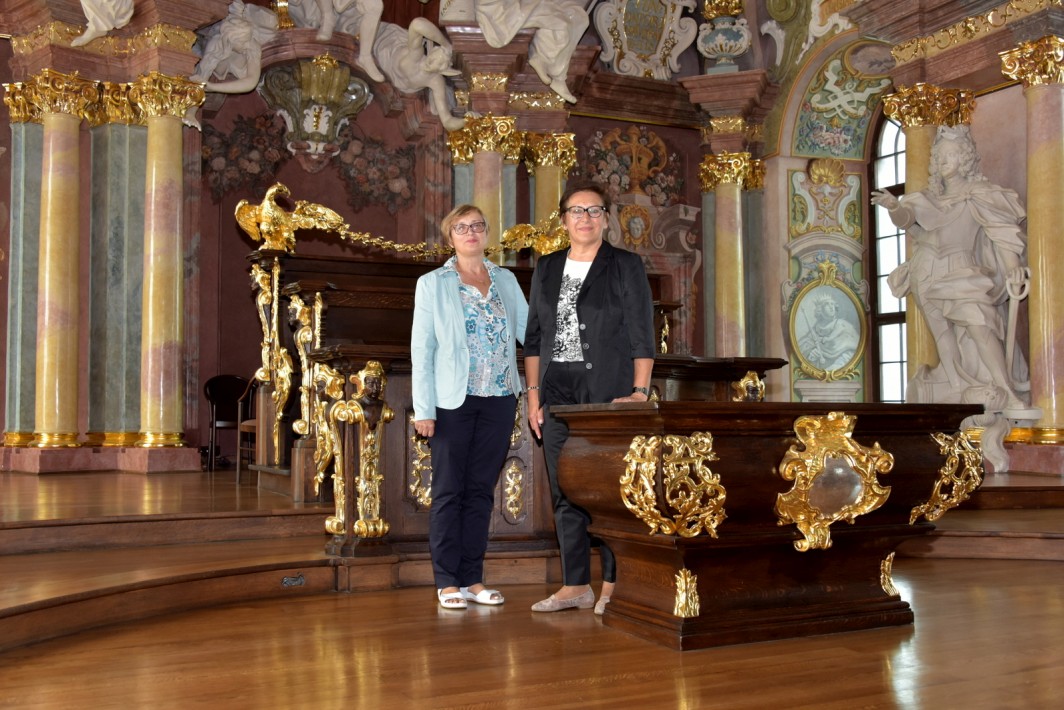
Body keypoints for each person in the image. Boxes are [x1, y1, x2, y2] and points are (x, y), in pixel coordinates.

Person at [524, 181, 656, 615]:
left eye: (595, 210)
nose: (585, 218)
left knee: (611, 490)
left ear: (606, 219)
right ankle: (575, 584)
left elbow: (642, 333)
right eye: (577, 211)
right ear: (563, 220)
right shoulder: (546, 267)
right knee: (565, 487)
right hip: (557, 390)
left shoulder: (625, 265)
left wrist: (639, 392)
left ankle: (614, 585)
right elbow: (534, 339)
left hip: (608, 391)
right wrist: (534, 396)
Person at [411, 205, 529, 610]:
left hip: (499, 398)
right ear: (450, 237)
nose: (470, 232)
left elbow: (531, 332)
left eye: (477, 225)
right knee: (449, 491)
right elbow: (422, 350)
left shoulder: (506, 280)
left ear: (486, 232)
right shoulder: (433, 283)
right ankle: (447, 581)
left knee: (480, 491)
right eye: (461, 227)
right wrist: (424, 409)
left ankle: (472, 579)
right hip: (451, 402)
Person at [871, 124, 1030, 409]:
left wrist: (1013, 267)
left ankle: (1006, 389)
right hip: (924, 270)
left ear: (964, 159)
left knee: (979, 323)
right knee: (943, 336)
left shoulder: (979, 194)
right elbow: (907, 220)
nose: (943, 161)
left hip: (961, 268)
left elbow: (1001, 232)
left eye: (951, 155)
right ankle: (957, 392)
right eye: (939, 156)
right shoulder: (925, 199)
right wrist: (894, 207)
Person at [474, 0, 589, 103]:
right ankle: (552, 69)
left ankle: (549, 64)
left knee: (578, 16)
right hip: (500, 8)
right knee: (559, 19)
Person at [374, 18, 465, 132]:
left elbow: (447, 121)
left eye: (438, 63)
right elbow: (417, 24)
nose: (431, 61)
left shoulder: (435, 81)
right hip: (385, 41)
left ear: (443, 70)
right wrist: (446, 44)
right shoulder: (416, 55)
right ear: (431, 52)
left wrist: (468, 121)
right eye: (433, 56)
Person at [797, 292, 860, 371]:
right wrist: (811, 356)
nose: (831, 307)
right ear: (820, 309)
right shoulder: (815, 330)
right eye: (827, 304)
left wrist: (834, 368)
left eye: (832, 304)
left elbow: (851, 353)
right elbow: (802, 351)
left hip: (838, 369)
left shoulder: (844, 326)